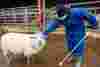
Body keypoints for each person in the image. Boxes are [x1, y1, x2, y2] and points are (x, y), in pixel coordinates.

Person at [42, 1, 98, 67]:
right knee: (70, 43)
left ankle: (78, 59)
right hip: (69, 31)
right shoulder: (59, 18)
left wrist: (94, 24)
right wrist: (45, 33)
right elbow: (53, 25)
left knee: (78, 44)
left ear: (66, 13)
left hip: (79, 30)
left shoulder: (77, 12)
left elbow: (89, 16)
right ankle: (73, 57)